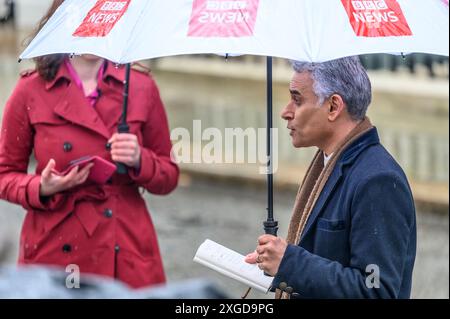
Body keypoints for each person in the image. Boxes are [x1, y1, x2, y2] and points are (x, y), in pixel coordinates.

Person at [0, 0, 179, 288]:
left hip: (125, 244)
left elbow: (169, 176)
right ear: (63, 21)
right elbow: (4, 174)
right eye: (82, 16)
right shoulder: (29, 90)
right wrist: (41, 188)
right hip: (56, 243)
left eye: (99, 17)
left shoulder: (141, 86)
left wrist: (139, 159)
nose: (91, 27)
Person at [245, 56, 416, 298]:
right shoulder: (328, 164)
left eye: (297, 100)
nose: (286, 112)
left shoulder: (378, 180)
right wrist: (275, 259)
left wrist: (289, 262)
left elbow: (376, 290)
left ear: (334, 107)